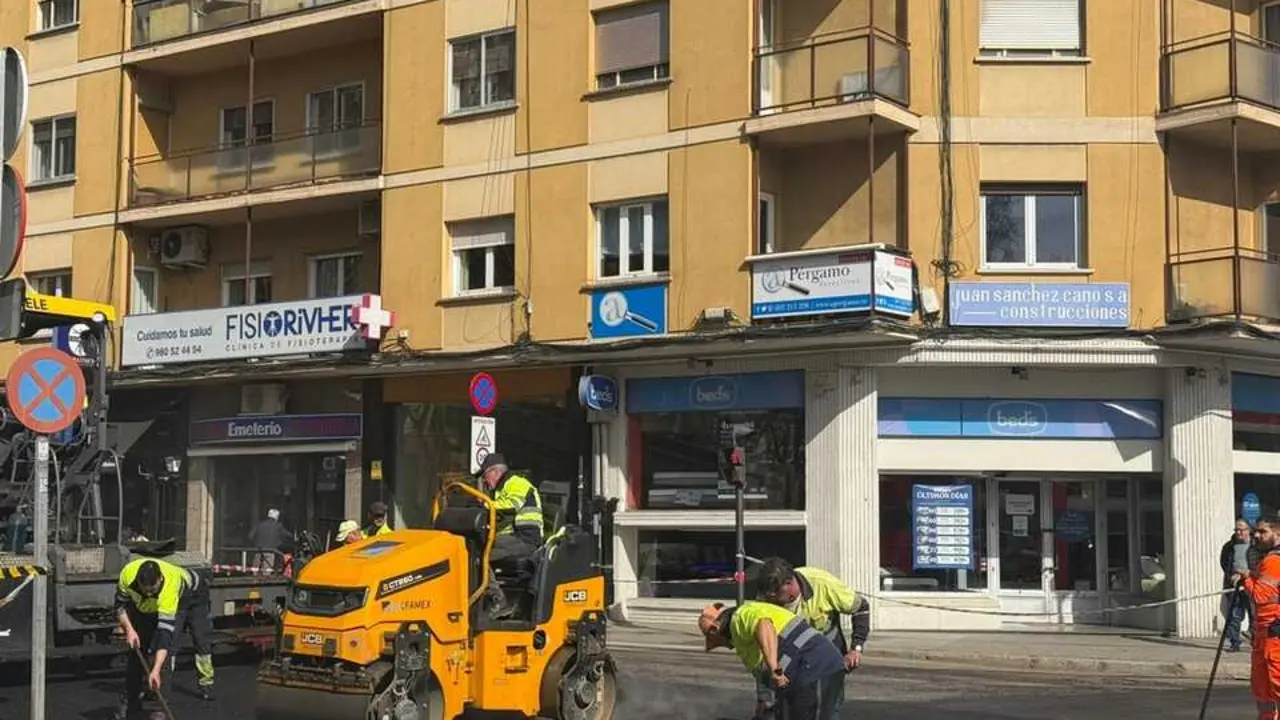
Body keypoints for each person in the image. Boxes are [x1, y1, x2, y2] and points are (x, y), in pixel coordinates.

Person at [755, 558, 869, 718]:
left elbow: (861, 608)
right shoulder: (766, 597)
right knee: (782, 710)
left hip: (826, 664)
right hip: (789, 666)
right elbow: (762, 647)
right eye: (768, 596)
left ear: (789, 584)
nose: (771, 599)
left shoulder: (822, 583)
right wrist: (764, 694)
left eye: (776, 594)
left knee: (827, 710)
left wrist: (856, 648)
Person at [698, 600, 846, 720]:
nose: (723, 645)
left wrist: (775, 669)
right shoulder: (742, 638)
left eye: (716, 641)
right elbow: (764, 677)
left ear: (715, 630)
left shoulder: (741, 617)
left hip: (814, 667)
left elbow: (764, 625)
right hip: (818, 667)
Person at [113, 557, 215, 719]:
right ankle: (131, 703)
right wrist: (130, 630)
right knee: (137, 649)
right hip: (149, 607)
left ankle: (160, 708)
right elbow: (119, 606)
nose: (147, 593)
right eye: (144, 589)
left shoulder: (169, 588)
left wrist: (155, 670)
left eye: (151, 590)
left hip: (192, 596)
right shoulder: (128, 574)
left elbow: (164, 635)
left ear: (159, 581)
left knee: (174, 647)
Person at [476, 453, 543, 619]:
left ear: (495, 472)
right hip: (513, 538)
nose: (485, 481)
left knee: (478, 556)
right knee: (472, 549)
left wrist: (484, 505)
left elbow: (508, 508)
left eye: (485, 476)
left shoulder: (517, 483)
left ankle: (499, 601)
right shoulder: (501, 489)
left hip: (525, 540)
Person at [1243, 515, 1280, 720]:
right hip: (1263, 637)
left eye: (1263, 531)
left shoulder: (1274, 561)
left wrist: (1245, 577)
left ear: (1277, 533)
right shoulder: (1268, 559)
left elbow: (1260, 595)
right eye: (1256, 531)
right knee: (1261, 690)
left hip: (1274, 636)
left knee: (1276, 687)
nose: (1257, 535)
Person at [1223, 518, 1261, 652]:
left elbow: (1260, 564)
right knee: (1234, 614)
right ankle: (1234, 643)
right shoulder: (1229, 546)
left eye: (1241, 529)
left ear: (1248, 530)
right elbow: (1224, 563)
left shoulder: (1256, 545)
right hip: (1234, 585)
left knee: (1253, 614)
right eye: (1236, 529)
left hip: (1251, 584)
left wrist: (1249, 575)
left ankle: (1255, 641)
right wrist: (1231, 576)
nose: (1238, 532)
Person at [249, 508, 288, 573]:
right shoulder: (278, 526)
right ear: (277, 517)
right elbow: (287, 535)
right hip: (270, 551)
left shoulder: (260, 524)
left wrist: (257, 544)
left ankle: (254, 581)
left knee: (255, 570)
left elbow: (250, 536)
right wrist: (279, 542)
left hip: (258, 550)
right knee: (266, 572)